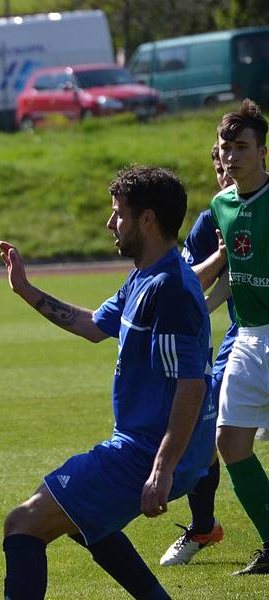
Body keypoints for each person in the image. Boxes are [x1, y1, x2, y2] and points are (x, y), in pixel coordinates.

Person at [0, 165, 215, 599]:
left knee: (23, 524)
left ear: (148, 219)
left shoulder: (170, 288)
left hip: (146, 453)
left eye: (119, 213)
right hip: (146, 448)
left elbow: (191, 385)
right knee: (83, 518)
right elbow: (94, 325)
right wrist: (26, 289)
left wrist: (162, 470)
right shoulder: (146, 276)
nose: (110, 224)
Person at [158, 143, 234, 566]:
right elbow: (190, 284)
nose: (227, 173)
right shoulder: (211, 220)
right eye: (220, 167)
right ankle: (204, 526)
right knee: (211, 436)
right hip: (241, 338)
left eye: (234, 161)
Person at [207, 99, 269, 575]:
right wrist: (195, 312)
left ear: (262, 151)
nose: (232, 155)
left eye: (242, 146)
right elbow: (232, 273)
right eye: (226, 147)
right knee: (230, 442)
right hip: (248, 339)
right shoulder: (221, 206)